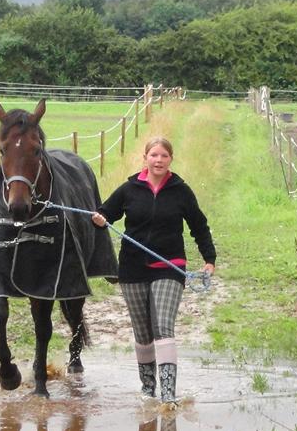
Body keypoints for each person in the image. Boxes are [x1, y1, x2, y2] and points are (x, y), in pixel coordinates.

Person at [91, 137, 216, 403]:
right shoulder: (129, 189)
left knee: (162, 325)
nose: (158, 160)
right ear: (145, 158)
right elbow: (105, 214)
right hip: (132, 268)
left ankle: (168, 396)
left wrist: (209, 259)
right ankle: (148, 391)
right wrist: (100, 219)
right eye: (154, 155)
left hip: (169, 267)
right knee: (142, 331)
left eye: (164, 156)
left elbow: (199, 225)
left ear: (171, 159)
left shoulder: (181, 191)